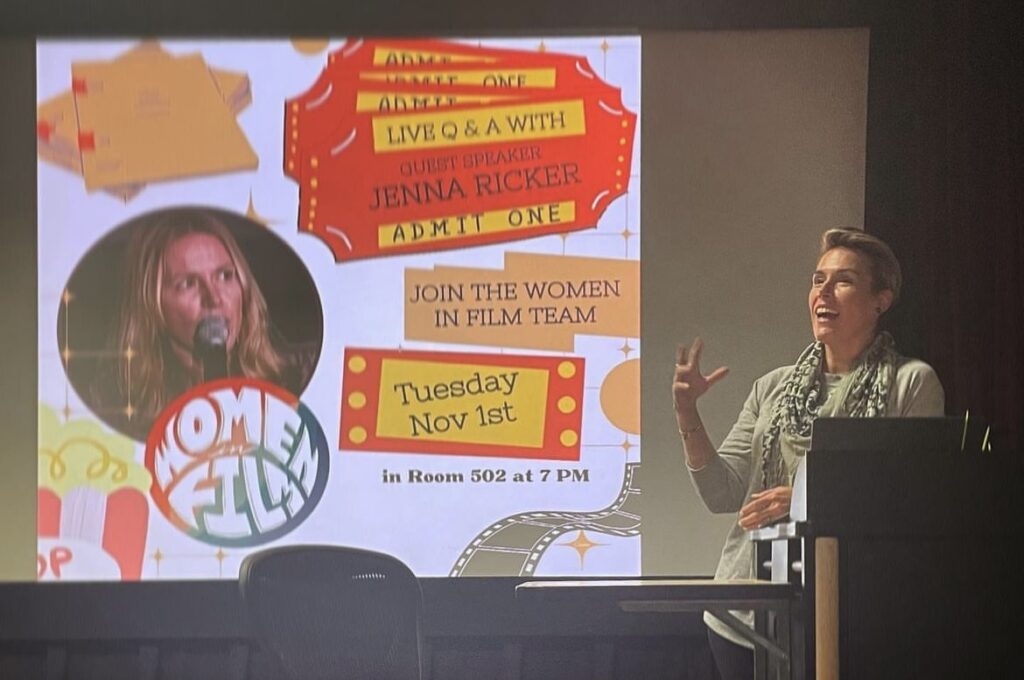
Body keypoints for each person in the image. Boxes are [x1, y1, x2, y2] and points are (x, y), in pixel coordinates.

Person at [671, 228, 944, 680]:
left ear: (882, 300)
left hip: (853, 616)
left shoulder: (911, 385)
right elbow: (723, 494)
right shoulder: (772, 386)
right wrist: (687, 416)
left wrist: (804, 501)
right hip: (744, 618)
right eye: (818, 280)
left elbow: (911, 505)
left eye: (844, 280)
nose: (823, 292)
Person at [91, 207, 315, 440]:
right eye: (188, 283)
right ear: (151, 304)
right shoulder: (117, 405)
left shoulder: (299, 373)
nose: (214, 298)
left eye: (225, 276)